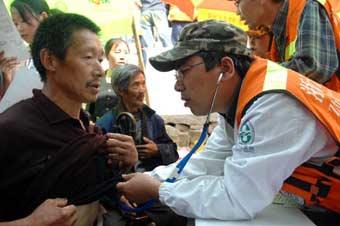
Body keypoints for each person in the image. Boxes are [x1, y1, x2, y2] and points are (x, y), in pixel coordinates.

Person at [116, 20, 340, 225]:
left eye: (183, 71)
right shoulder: (245, 97)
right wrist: (150, 178)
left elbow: (238, 199)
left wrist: (158, 190)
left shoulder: (273, 105)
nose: (178, 86)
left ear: (225, 68)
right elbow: (210, 160)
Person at [0, 13, 138, 225]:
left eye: (100, 59)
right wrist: (30, 223)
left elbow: (96, 192)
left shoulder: (91, 134)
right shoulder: (12, 129)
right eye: (88, 57)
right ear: (50, 60)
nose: (100, 70)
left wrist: (126, 164)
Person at [232, 0, 340, 91]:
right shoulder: (278, 31)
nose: (237, 12)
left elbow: (313, 67)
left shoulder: (307, 5)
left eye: (237, 2)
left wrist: (254, 74)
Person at [97, 63, 179, 172]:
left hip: (150, 180)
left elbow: (173, 152)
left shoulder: (154, 120)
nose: (142, 90)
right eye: (135, 85)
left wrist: (157, 150)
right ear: (121, 90)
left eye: (143, 84)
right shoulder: (105, 124)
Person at [0, 0, 58, 110]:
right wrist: (7, 77)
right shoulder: (20, 58)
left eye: (24, 21)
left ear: (43, 17)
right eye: (15, 23)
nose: (19, 28)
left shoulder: (59, 53)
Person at [88, 38, 130, 121]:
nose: (122, 56)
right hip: (100, 130)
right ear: (106, 55)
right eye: (118, 52)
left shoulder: (132, 80)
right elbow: (90, 110)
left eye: (126, 53)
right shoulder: (97, 79)